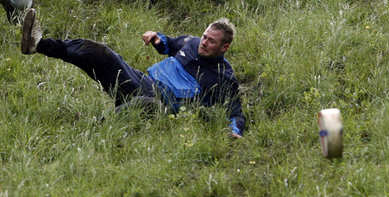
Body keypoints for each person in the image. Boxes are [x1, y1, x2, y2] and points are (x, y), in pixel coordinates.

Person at [20, 11, 245, 137]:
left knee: (145, 103)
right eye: (205, 36)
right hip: (142, 80)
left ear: (224, 47)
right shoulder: (191, 42)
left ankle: (92, 132)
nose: (204, 43)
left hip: (162, 104)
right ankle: (38, 44)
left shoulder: (223, 76)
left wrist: (234, 131)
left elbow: (235, 111)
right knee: (101, 53)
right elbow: (168, 43)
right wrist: (156, 37)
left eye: (211, 41)